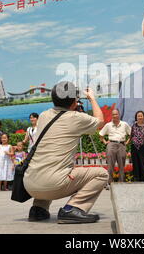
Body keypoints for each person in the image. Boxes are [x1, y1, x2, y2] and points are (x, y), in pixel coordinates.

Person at [23, 82, 107, 224]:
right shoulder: (76, 118)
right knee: (101, 174)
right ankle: (73, 209)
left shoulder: (43, 115)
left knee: (49, 165)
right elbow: (100, 121)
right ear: (74, 101)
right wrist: (92, 98)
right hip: (54, 185)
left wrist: (74, 108)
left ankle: (38, 209)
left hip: (29, 183)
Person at [99, 109, 131, 187]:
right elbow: (101, 135)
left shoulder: (124, 124)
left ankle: (121, 182)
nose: (115, 116)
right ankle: (110, 183)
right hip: (111, 144)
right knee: (110, 165)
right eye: (113, 114)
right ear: (112, 115)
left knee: (121, 165)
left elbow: (131, 134)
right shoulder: (108, 125)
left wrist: (127, 142)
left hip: (121, 144)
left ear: (119, 115)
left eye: (116, 114)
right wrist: (105, 142)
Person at [130, 111, 144, 182]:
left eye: (141, 116)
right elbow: (131, 135)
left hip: (143, 147)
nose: (139, 117)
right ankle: (136, 177)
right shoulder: (133, 126)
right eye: (138, 116)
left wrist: (143, 142)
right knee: (135, 162)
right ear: (136, 117)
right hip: (134, 147)